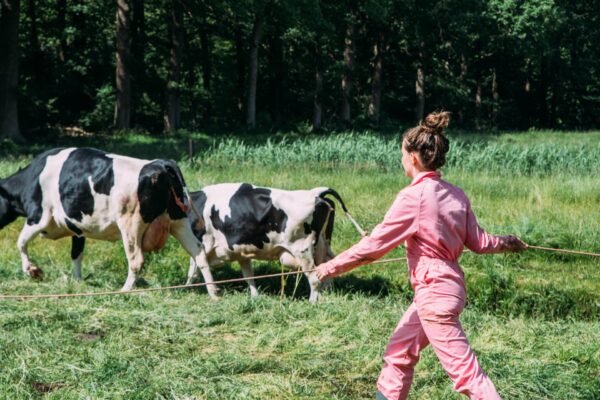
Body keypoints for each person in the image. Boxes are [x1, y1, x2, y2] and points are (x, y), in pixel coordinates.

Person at [313, 111, 527, 400]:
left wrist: (329, 267)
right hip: (446, 289)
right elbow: (479, 242)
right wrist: (508, 242)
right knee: (399, 352)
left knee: (467, 374)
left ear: (413, 157)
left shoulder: (413, 196)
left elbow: (373, 248)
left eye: (402, 153)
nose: (401, 159)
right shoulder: (457, 195)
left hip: (434, 296)